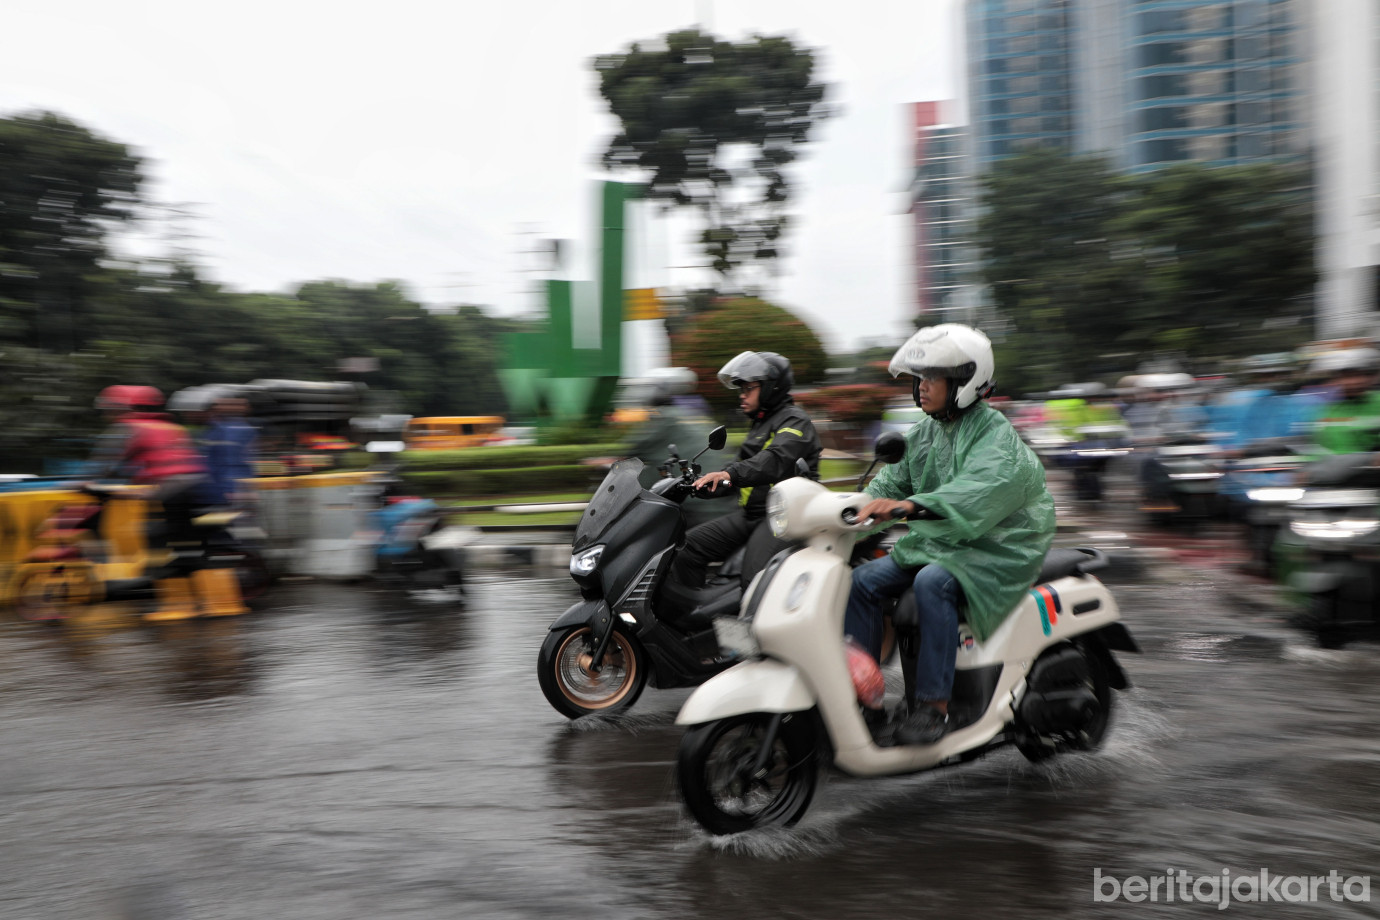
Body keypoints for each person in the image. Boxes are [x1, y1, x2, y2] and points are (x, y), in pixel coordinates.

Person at [844, 324, 1056, 745]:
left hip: (998, 546)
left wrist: (908, 508)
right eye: (919, 379)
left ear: (964, 381)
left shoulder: (994, 434)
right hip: (945, 543)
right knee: (862, 582)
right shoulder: (924, 433)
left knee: (931, 582)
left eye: (932, 378)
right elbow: (889, 486)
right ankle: (865, 702)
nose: (921, 388)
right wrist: (844, 511)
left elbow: (978, 492)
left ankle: (932, 708)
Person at [662, 351, 822, 613]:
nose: (742, 395)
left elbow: (774, 460)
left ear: (771, 387)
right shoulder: (760, 424)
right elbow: (742, 474)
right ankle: (694, 620)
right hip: (752, 514)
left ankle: (752, 642)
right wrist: (701, 485)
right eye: (741, 389)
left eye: (749, 388)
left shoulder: (794, 421)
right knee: (686, 548)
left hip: (781, 518)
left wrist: (728, 474)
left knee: (753, 577)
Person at [87, 385, 213, 549]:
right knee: (183, 529)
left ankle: (151, 571)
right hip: (200, 484)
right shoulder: (173, 427)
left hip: (171, 487)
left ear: (119, 408)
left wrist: (83, 483)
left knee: (148, 529)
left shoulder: (128, 427)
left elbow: (101, 465)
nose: (105, 415)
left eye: (107, 410)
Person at [1308, 346, 1380, 455]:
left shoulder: (1377, 403)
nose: (1352, 382)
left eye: (1357, 375)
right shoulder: (1330, 409)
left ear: (1371, 378)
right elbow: (1321, 444)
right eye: (1346, 376)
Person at [202, 395, 258, 509]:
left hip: (227, 489)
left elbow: (233, 462)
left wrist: (228, 489)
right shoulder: (244, 428)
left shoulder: (230, 429)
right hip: (230, 488)